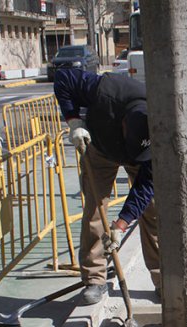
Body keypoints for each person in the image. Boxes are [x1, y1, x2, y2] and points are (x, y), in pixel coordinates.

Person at [54, 68, 160, 305]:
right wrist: (73, 121)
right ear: (123, 123)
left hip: (139, 159)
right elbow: (63, 78)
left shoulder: (159, 127)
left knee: (153, 210)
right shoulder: (105, 90)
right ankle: (94, 278)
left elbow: (145, 186)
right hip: (100, 147)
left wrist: (121, 226)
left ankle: (161, 277)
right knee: (94, 209)